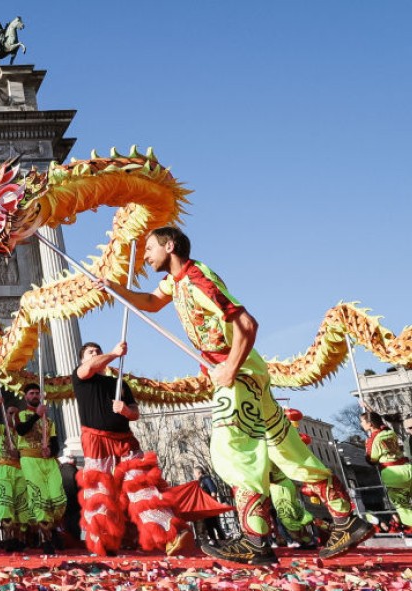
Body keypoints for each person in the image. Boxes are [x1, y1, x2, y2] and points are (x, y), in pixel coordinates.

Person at [102, 226, 373, 564]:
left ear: (170, 246)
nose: (146, 256)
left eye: (150, 248)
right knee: (284, 448)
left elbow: (247, 324)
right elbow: (152, 302)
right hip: (247, 373)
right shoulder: (175, 282)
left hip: (238, 374)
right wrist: (112, 287)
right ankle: (345, 518)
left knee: (231, 451)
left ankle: (255, 540)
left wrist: (229, 368)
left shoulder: (198, 277)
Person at [74, 341, 189, 557]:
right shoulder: (80, 377)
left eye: (98, 351)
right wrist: (113, 353)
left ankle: (168, 534)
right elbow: (88, 369)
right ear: (82, 359)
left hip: (125, 440)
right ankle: (103, 542)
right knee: (100, 493)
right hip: (97, 441)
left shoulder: (118, 383)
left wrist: (126, 410)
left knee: (143, 486)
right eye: (91, 352)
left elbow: (136, 413)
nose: (96, 354)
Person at [15, 383, 65, 553]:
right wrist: (36, 416)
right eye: (31, 393)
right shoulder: (20, 415)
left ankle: (51, 526)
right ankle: (47, 539)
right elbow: (21, 430)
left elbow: (55, 441)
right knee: (40, 498)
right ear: (25, 396)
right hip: (30, 460)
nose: (35, 396)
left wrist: (51, 449)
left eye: (37, 393)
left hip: (48, 461)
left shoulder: (49, 420)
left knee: (59, 499)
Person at [0, 398, 29, 552]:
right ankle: (9, 539)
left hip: (20, 470)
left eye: (14, 414)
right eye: (8, 414)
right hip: (4, 470)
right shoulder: (2, 430)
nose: (11, 416)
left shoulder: (25, 434)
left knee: (21, 505)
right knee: (5, 503)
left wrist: (19, 454)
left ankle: (21, 539)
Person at [362, 410, 412, 528]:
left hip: (394, 475)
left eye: (362, 421)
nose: (361, 424)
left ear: (370, 424)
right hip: (407, 468)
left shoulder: (373, 439)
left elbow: (371, 460)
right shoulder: (390, 432)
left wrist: (366, 448)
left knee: (403, 508)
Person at [193, 466, 226, 541]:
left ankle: (221, 540)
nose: (194, 474)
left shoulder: (206, 479)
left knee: (215, 524)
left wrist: (212, 503)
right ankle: (214, 540)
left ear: (198, 472)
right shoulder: (200, 481)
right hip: (205, 506)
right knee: (209, 524)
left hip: (209, 506)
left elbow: (213, 490)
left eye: (194, 472)